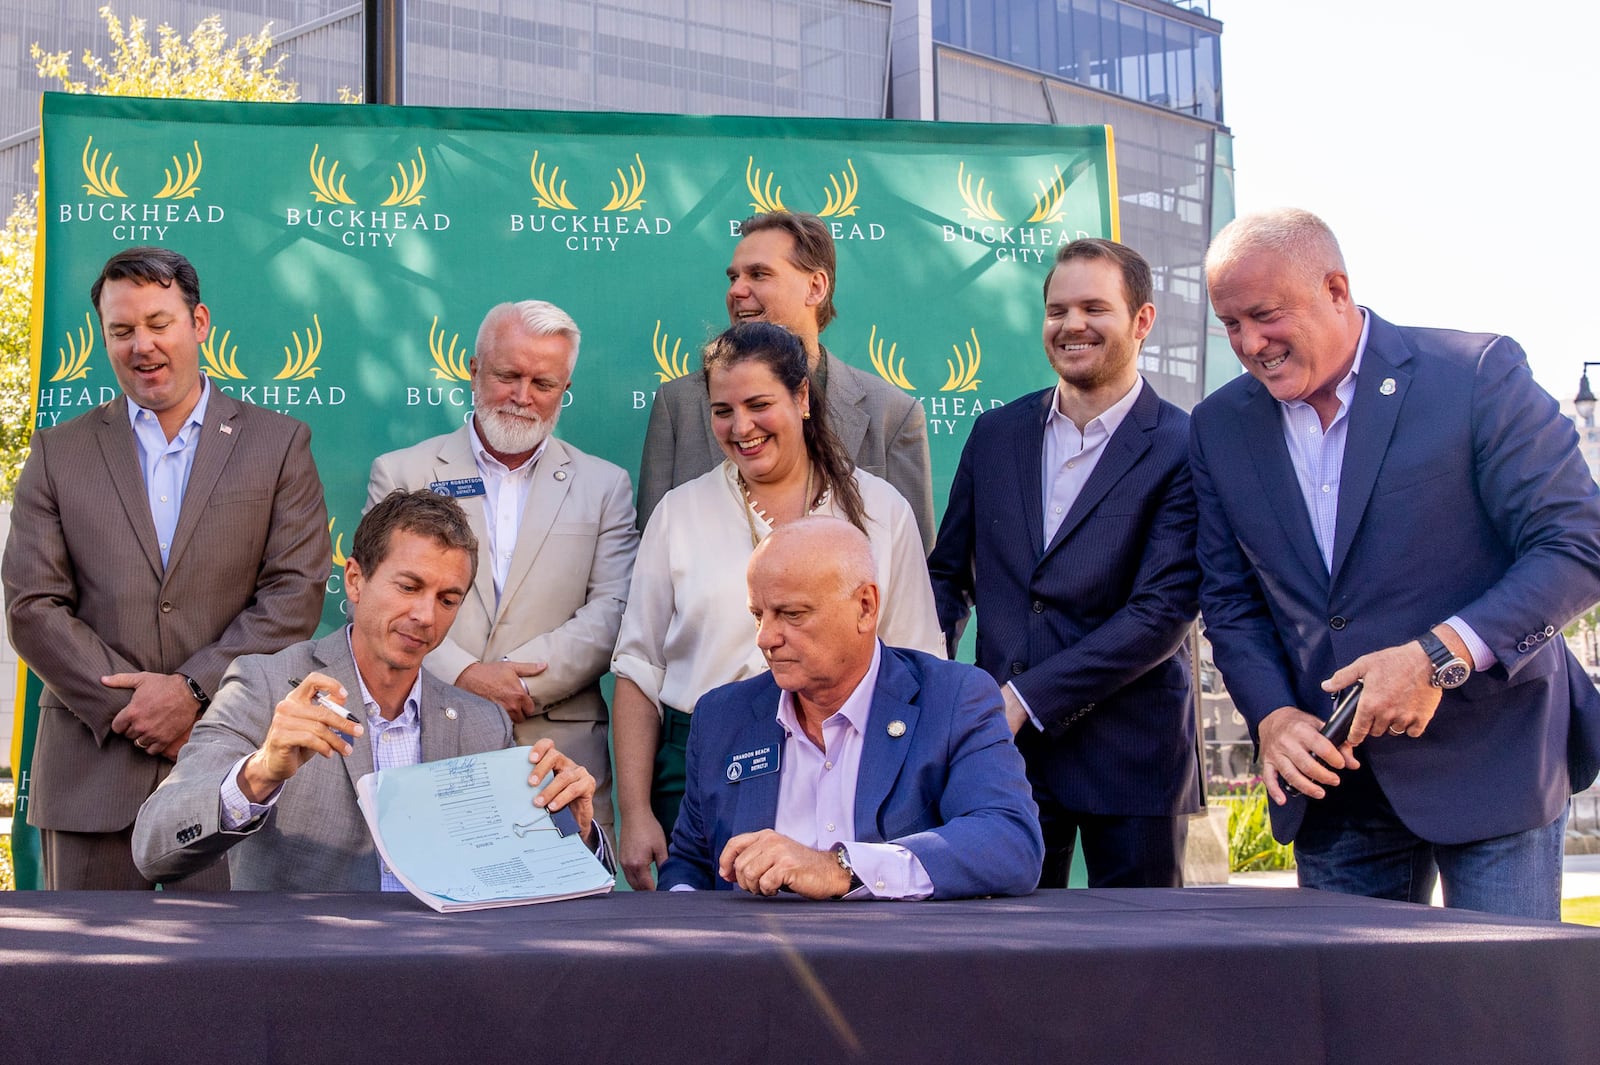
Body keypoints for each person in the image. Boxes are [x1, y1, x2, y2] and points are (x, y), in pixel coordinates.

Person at [1191, 207, 1600, 919]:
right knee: (1354, 1028)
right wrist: (1274, 716)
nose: (1250, 344)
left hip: (1492, 759)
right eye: (1230, 324)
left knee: (1498, 1019)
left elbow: (1576, 542)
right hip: (1334, 785)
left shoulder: (1474, 373)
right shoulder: (1219, 425)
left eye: (1264, 315)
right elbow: (1230, 600)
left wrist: (1435, 657)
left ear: (1337, 289)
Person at [3, 245, 330, 890]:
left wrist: (193, 693)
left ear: (199, 323)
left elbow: (294, 593)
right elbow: (32, 607)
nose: (141, 345)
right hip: (91, 778)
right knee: (85, 983)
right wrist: (134, 708)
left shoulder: (278, 443)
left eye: (159, 323)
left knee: (229, 985)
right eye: (121, 331)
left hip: (231, 771)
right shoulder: (57, 452)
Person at [613, 321, 944, 891]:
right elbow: (639, 669)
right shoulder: (677, 512)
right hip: (700, 770)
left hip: (856, 758)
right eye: (722, 410)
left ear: (802, 398)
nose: (741, 428)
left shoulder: (880, 510)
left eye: (759, 404)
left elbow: (917, 656)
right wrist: (636, 813)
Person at [132, 490, 604, 890]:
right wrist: (258, 773)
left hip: (443, 978)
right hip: (306, 974)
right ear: (355, 580)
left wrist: (573, 830)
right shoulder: (267, 685)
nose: (426, 615)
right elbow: (155, 849)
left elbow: (526, 872)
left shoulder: (483, 721)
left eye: (447, 599)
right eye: (408, 586)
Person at [928, 238, 1201, 888]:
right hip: (1002, 757)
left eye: (1093, 307)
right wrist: (933, 686)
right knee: (1006, 967)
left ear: (1142, 321)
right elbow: (947, 576)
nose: (1071, 324)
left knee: (1140, 972)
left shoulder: (1184, 444)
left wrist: (1024, 698)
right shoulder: (994, 435)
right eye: (1058, 309)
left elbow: (1161, 613)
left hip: (1133, 759)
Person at [659, 517, 1042, 898]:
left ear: (865, 607)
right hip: (757, 954)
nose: (765, 638)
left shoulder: (953, 699)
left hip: (894, 955)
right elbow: (690, 865)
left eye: (792, 614)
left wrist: (843, 868)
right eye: (758, 615)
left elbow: (1010, 841)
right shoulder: (722, 716)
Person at [366, 300, 637, 838]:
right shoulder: (402, 472)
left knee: (562, 915)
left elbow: (615, 609)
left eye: (544, 383)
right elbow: (384, 598)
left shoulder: (606, 486)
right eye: (508, 375)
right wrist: (466, 676)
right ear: (472, 369)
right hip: (424, 736)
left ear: (565, 388)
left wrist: (516, 681)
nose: (523, 396)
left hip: (556, 752)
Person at [636, 211, 934, 550]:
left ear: (816, 287)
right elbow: (651, 552)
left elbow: (915, 564)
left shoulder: (893, 414)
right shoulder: (678, 404)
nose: (737, 290)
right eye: (733, 278)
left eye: (759, 274)